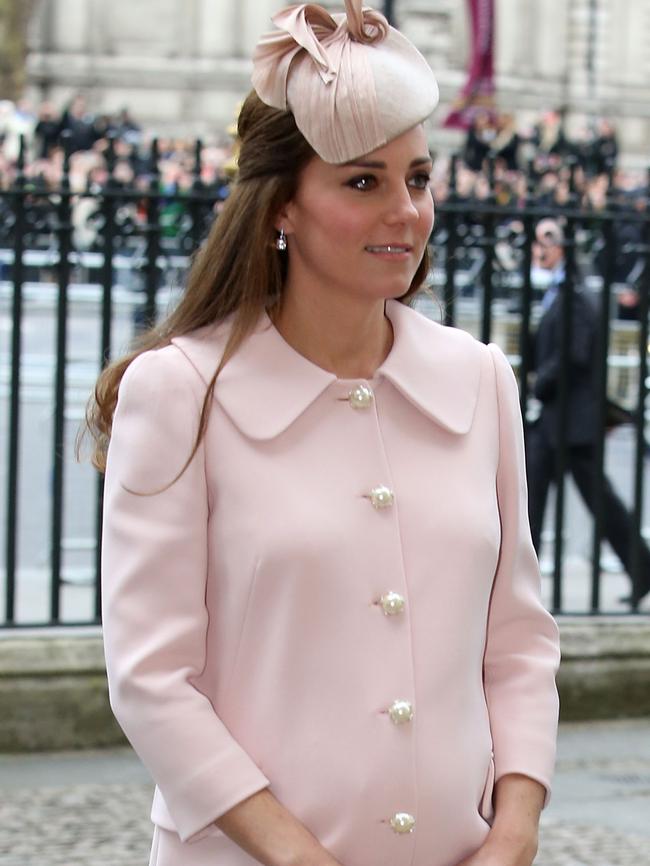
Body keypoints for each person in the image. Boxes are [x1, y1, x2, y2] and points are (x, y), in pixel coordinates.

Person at [88, 3, 560, 865]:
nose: (405, 212)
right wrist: (298, 855)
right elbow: (152, 680)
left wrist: (517, 831)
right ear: (282, 209)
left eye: (417, 178)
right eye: (362, 181)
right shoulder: (180, 393)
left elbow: (518, 641)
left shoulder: (480, 380)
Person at [526, 219, 650, 609]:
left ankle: (642, 568)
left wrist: (537, 383)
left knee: (594, 501)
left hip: (570, 422)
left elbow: (573, 355)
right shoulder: (561, 292)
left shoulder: (574, 295)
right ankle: (517, 588)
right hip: (558, 421)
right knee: (530, 500)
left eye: (542, 242)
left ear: (559, 248)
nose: (535, 250)